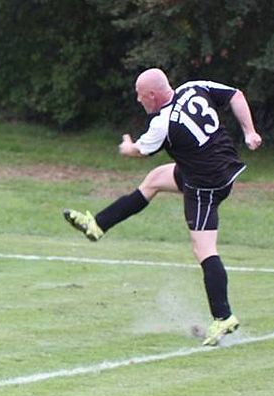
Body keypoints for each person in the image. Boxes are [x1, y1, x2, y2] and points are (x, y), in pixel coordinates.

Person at [63, 68, 263, 346]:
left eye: (140, 95)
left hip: (206, 183)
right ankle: (97, 225)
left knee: (204, 250)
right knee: (155, 180)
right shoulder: (194, 87)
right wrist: (250, 132)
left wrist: (127, 147)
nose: (138, 100)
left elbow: (139, 151)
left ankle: (223, 316)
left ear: (153, 95)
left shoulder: (163, 123)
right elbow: (236, 95)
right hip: (216, 166)